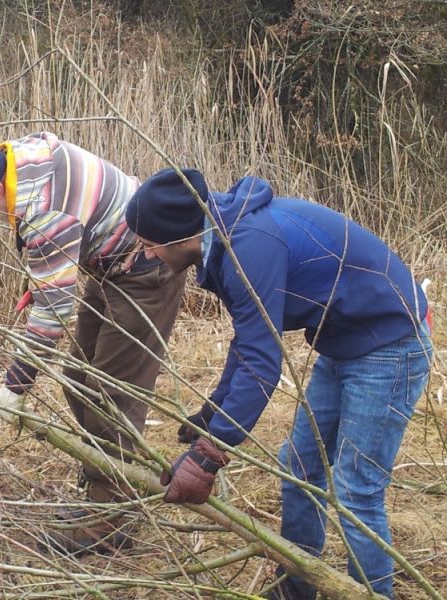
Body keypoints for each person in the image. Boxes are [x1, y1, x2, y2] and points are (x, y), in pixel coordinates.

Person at [126, 168, 433, 599]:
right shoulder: (226, 240)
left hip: (391, 345)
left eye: (148, 244)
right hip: (346, 344)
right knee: (301, 470)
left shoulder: (250, 246)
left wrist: (210, 454)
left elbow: (262, 364)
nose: (147, 255)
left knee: (355, 491)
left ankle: (371, 594)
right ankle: (297, 587)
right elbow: (252, 338)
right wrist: (212, 413)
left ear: (179, 236)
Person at [0, 133, 187, 554]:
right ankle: (102, 486)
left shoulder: (45, 214)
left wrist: (15, 387)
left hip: (147, 270)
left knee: (112, 393)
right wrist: (45, 278)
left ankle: (106, 523)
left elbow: (53, 317)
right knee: (78, 378)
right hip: (108, 266)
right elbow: (59, 250)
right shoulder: (18, 158)